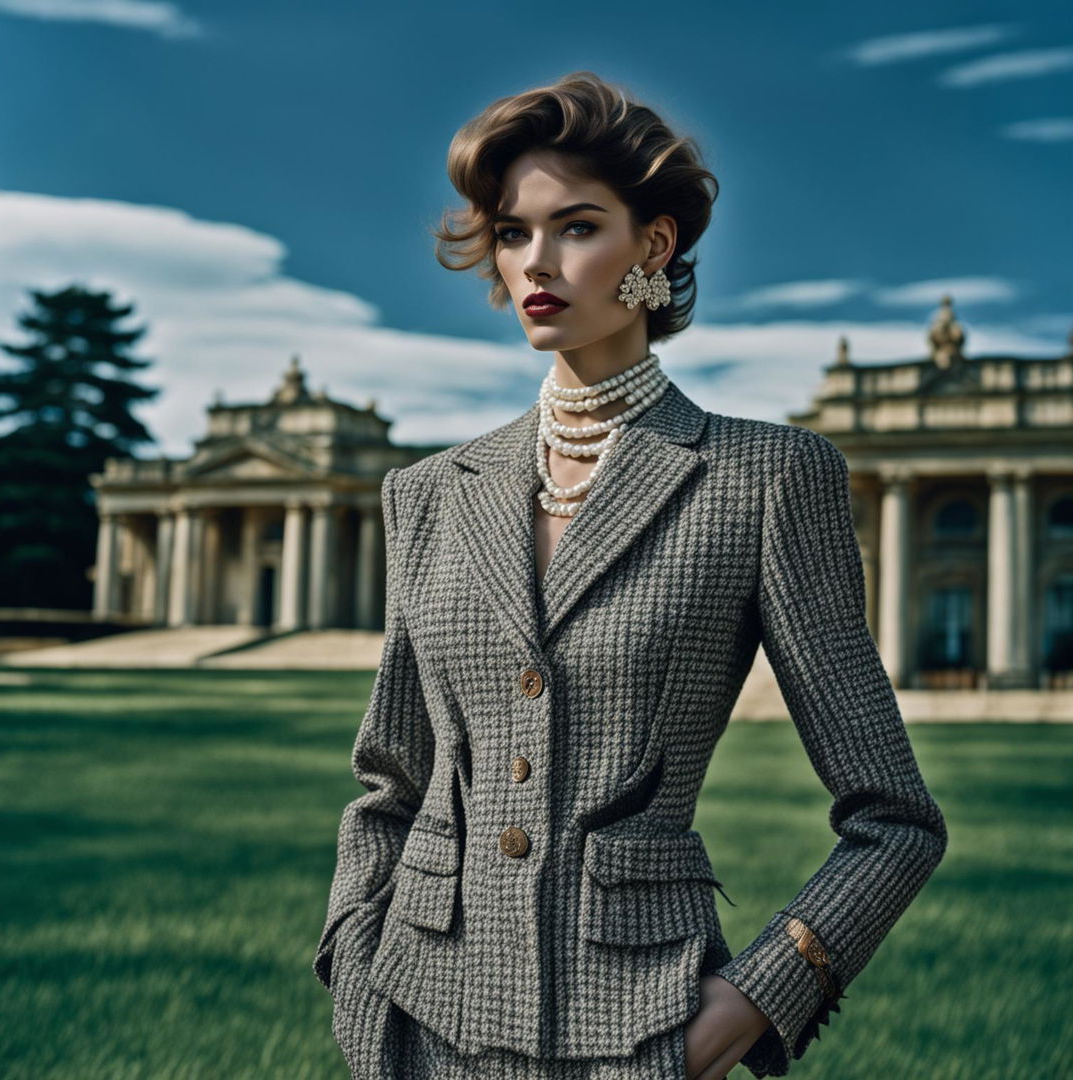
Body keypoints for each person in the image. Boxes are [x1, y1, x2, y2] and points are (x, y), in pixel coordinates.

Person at [313, 71, 948, 1079]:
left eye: (574, 226)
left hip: (639, 1033)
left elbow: (896, 819)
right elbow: (391, 783)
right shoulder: (428, 492)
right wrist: (353, 961)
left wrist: (751, 1001)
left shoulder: (765, 479)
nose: (536, 262)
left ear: (652, 247)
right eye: (513, 233)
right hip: (413, 1027)